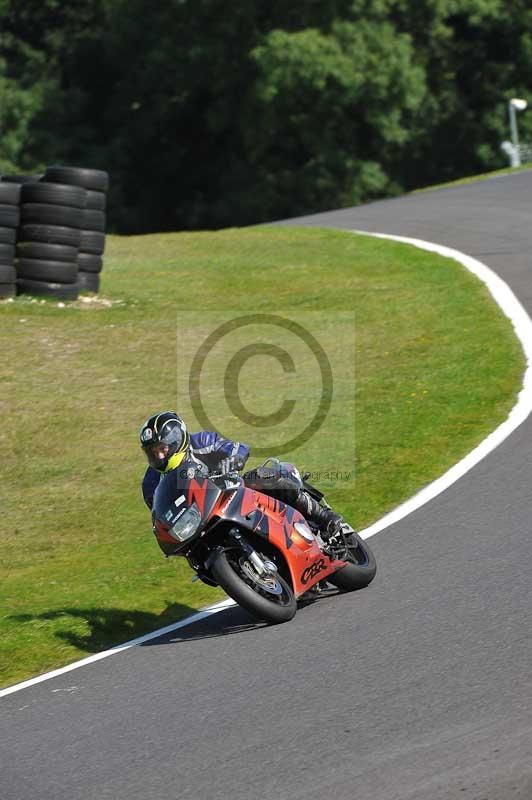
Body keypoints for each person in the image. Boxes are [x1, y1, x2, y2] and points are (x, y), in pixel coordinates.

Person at [139, 411, 344, 541]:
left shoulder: (201, 442)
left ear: (176, 440)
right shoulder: (150, 482)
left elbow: (237, 448)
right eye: (152, 452)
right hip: (200, 518)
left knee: (262, 476)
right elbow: (158, 512)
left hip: (232, 493)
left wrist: (234, 459)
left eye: (162, 448)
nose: (159, 456)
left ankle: (323, 517)